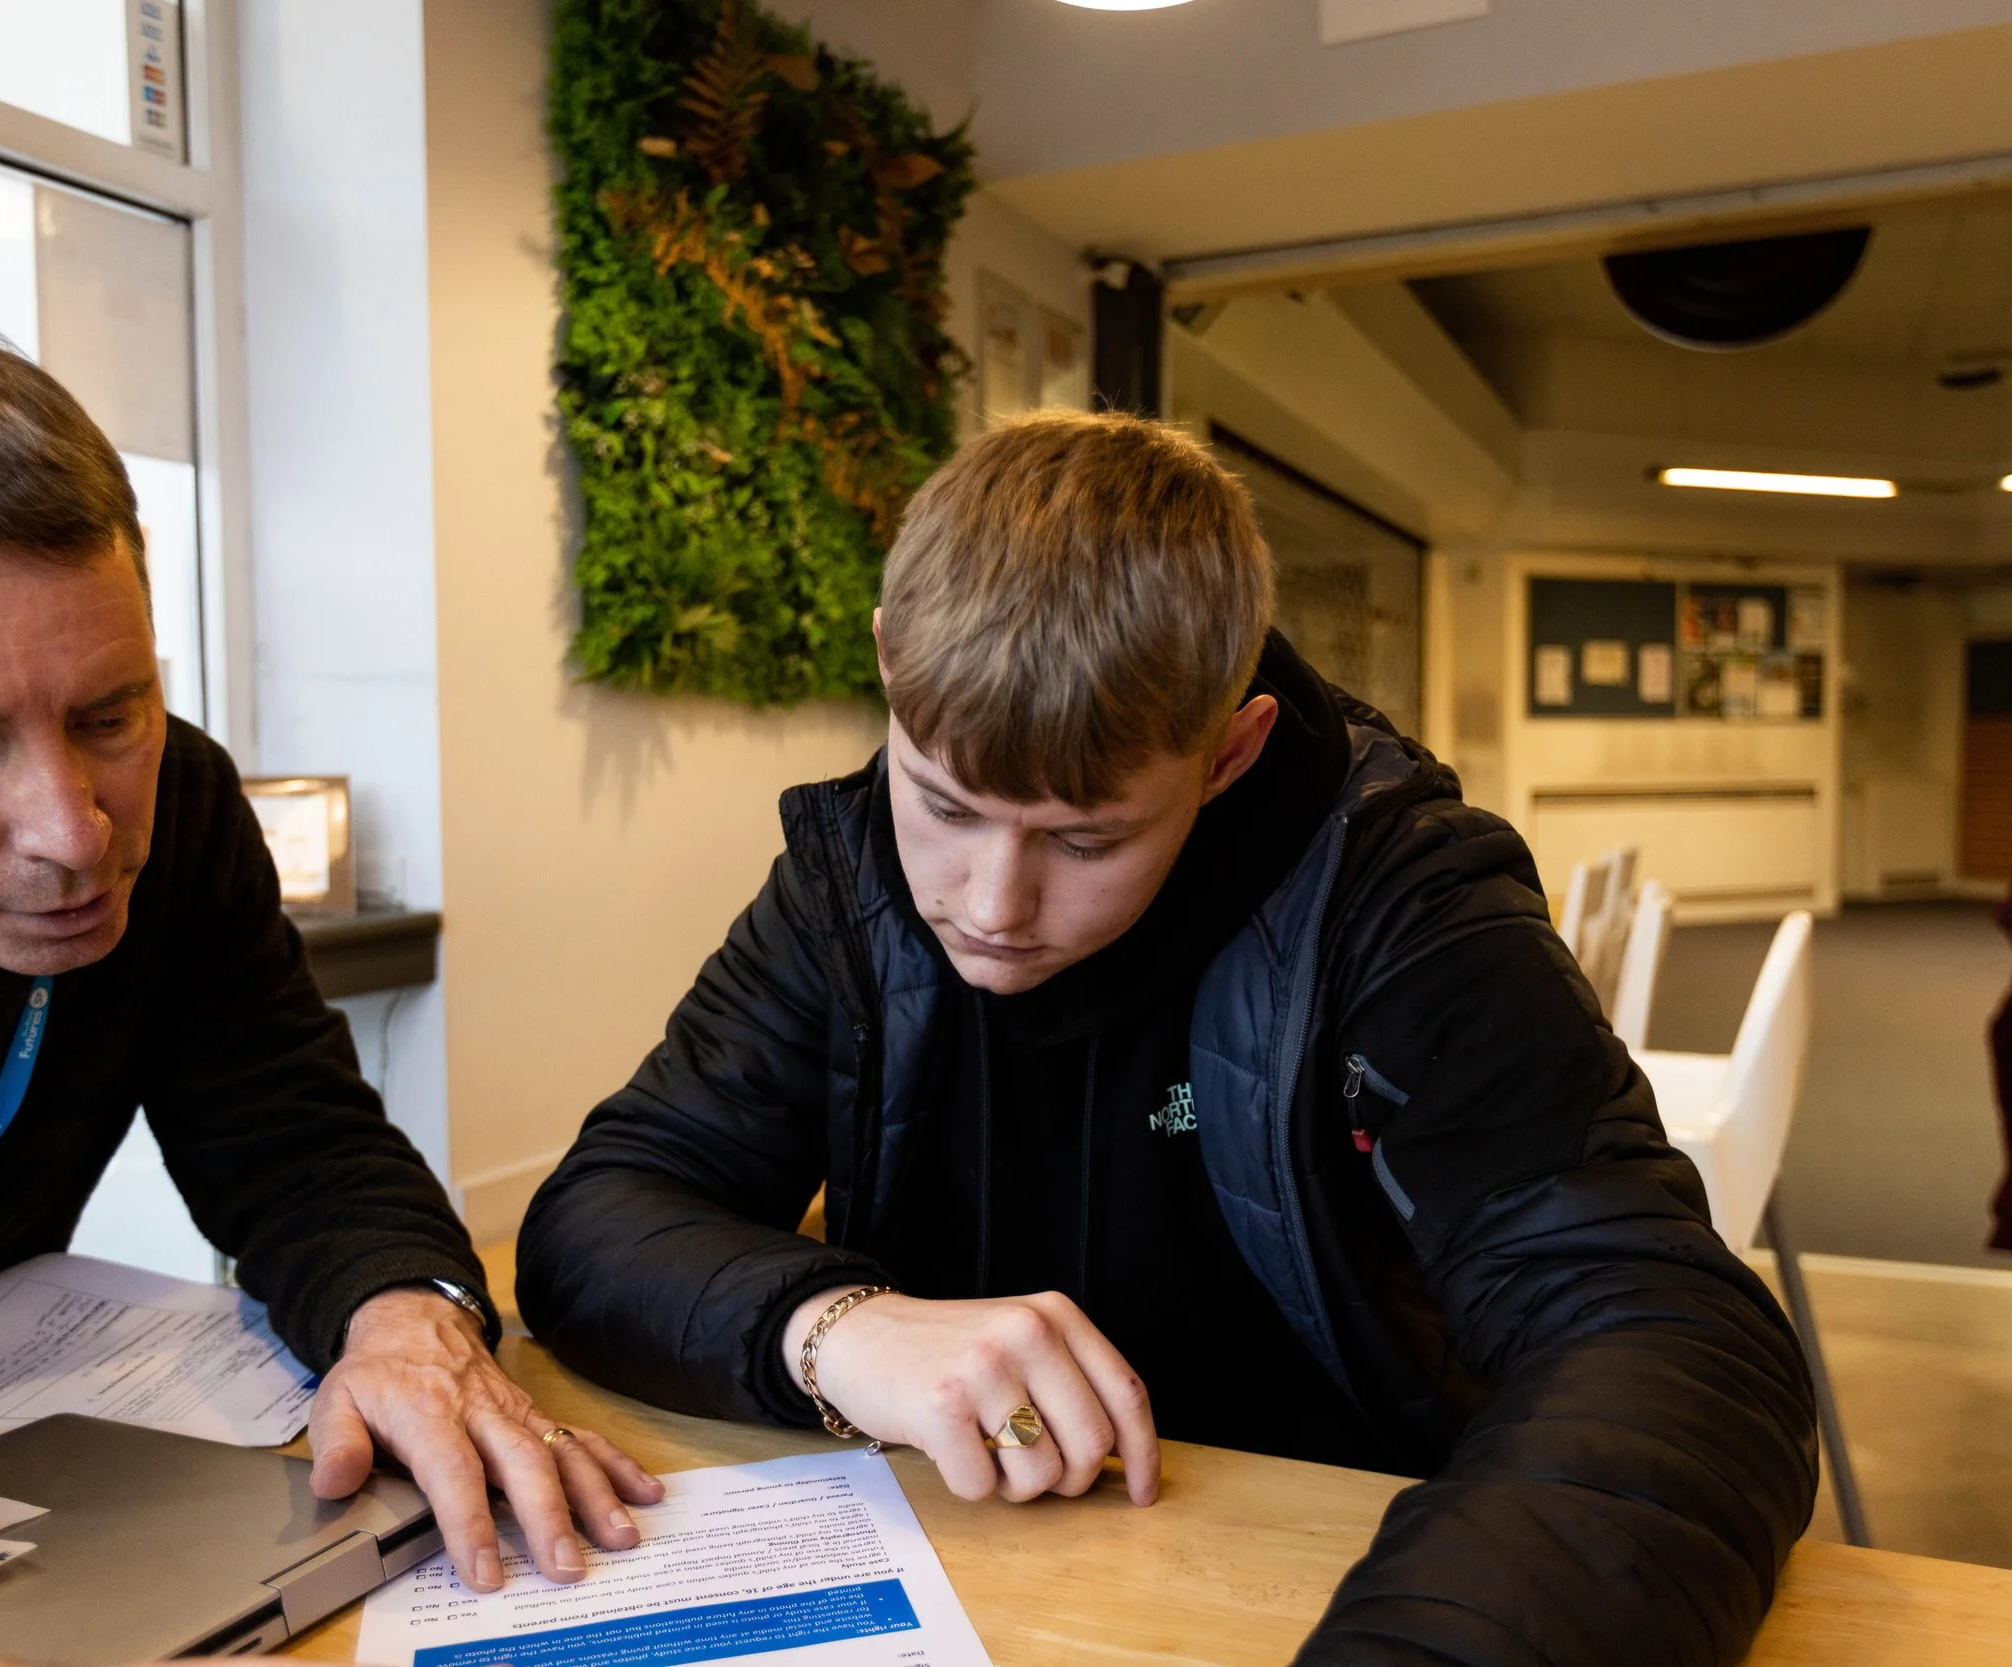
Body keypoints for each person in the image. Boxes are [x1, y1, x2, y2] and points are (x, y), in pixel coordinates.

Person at [519, 411, 1819, 1663]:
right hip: (969, 1561)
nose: (988, 903)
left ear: (1230, 749)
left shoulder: (1402, 897)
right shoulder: (847, 877)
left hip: (1326, 1569)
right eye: (944, 804)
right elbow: (602, 1212)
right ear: (888, 666)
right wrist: (836, 1325)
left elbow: (1670, 1342)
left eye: (1084, 839)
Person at [0, 306, 659, 1667]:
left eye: (109, 714)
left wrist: (400, 1313)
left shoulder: (180, 808)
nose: (75, 831)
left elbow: (296, 1142)